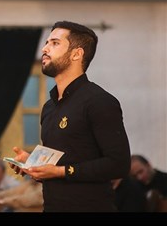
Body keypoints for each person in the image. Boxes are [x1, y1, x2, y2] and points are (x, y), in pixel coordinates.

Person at [10, 21, 131, 212]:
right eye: (47, 42)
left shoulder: (98, 101)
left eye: (55, 43)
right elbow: (68, 156)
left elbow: (119, 164)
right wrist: (34, 163)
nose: (44, 48)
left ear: (77, 54)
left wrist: (59, 172)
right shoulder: (49, 106)